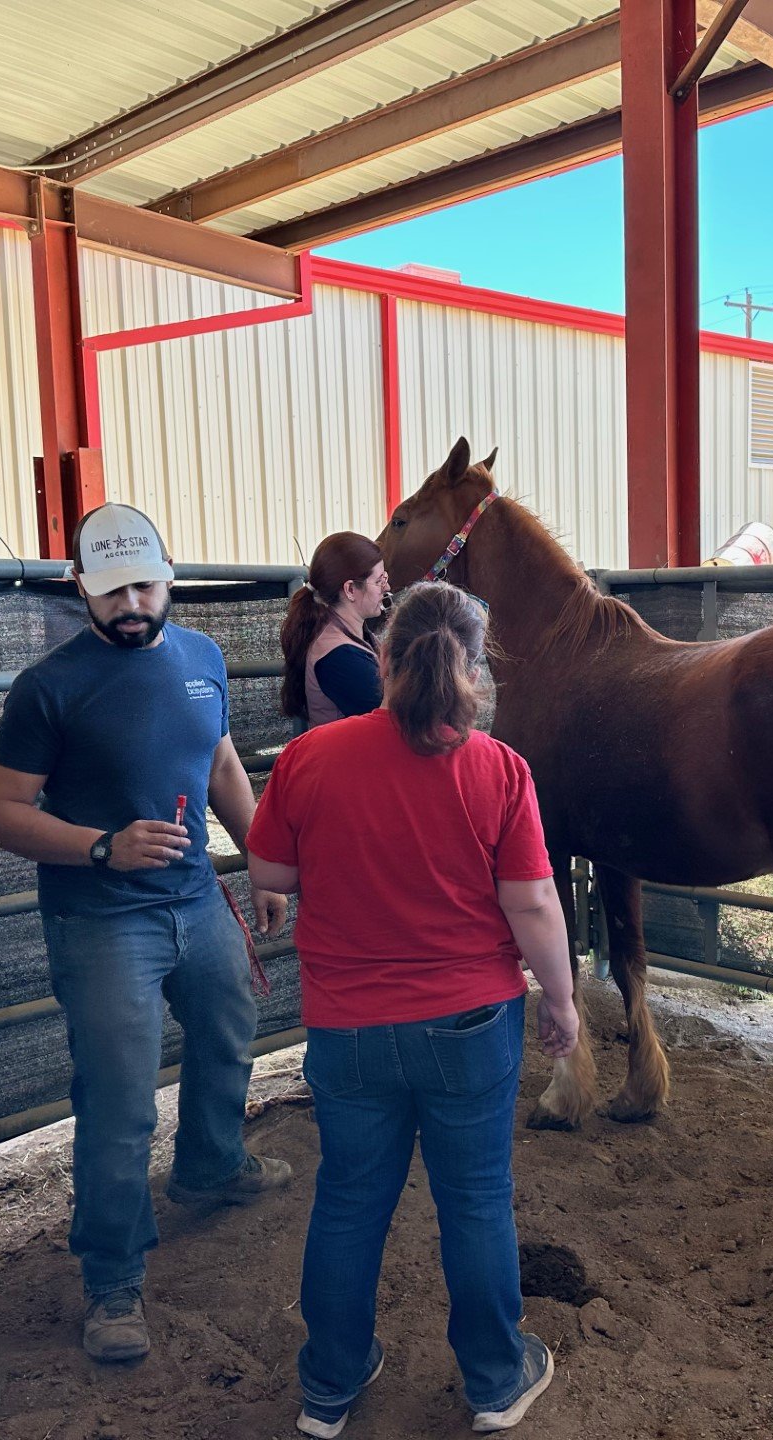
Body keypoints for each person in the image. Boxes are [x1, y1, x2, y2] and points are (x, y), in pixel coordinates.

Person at [246, 581, 579, 1437]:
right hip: (471, 1021)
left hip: (347, 1025)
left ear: (384, 657)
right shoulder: (498, 768)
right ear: (475, 666)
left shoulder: (310, 758)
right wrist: (563, 1001)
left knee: (351, 1199)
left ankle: (330, 1386)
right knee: (475, 1200)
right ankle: (497, 1381)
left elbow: (273, 878)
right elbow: (535, 904)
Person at [0, 501, 291, 1364]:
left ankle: (213, 1166)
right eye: (111, 591)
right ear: (80, 588)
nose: (131, 604)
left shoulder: (203, 657)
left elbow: (219, 761)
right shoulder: (50, 687)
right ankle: (112, 1277)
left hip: (195, 900)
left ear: (170, 577)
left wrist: (259, 859)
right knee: (117, 1103)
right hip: (103, 917)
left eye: (145, 585)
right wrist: (101, 847)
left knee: (230, 1033)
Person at [280, 531, 390, 727]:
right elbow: (393, 720)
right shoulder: (340, 656)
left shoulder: (349, 636)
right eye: (379, 580)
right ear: (350, 590)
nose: (387, 587)